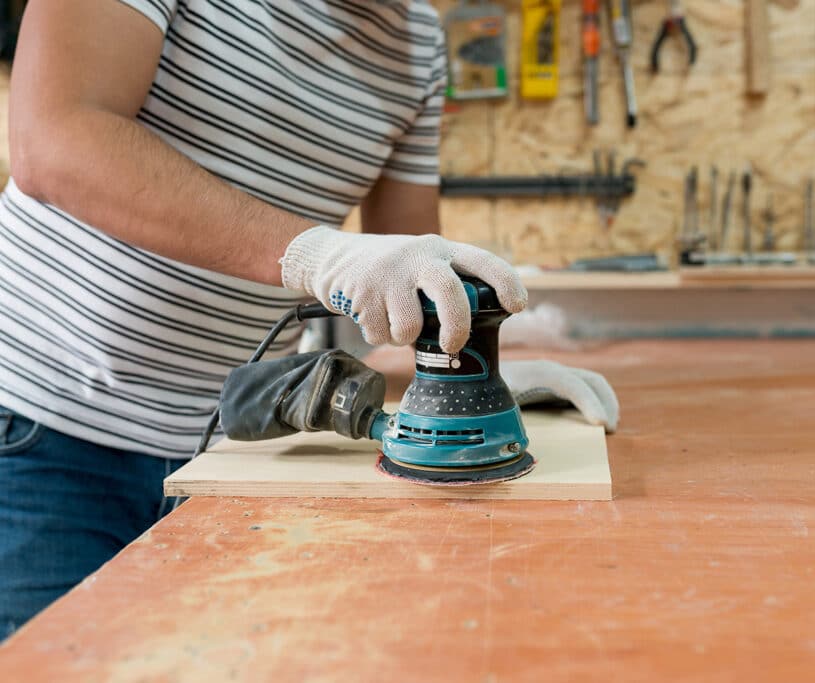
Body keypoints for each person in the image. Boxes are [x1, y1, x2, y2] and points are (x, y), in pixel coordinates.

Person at [0, 0, 619, 636]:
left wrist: (465, 376)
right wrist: (317, 253)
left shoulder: (420, 41)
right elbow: (53, 138)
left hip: (238, 450)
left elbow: (409, 282)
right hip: (39, 430)